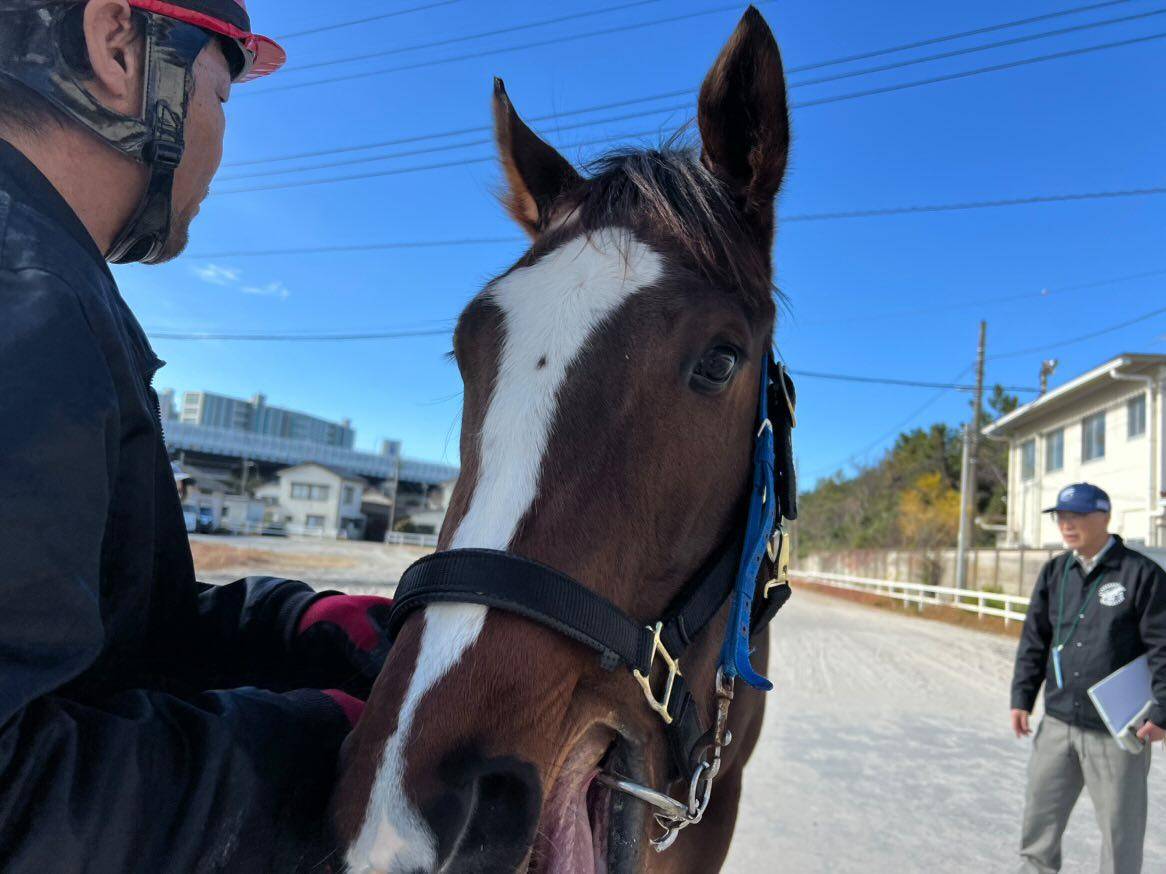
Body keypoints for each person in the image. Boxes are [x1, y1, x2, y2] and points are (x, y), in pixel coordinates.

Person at [0, 2, 394, 870]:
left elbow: (109, 639)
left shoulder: (47, 276)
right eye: (222, 95)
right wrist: (316, 750)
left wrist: (298, 625)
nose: (221, 142)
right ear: (117, 46)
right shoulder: (27, 298)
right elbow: (17, 798)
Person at [1010, 482, 1166, 874]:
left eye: (1077, 515)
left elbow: (1163, 647)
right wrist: (1022, 697)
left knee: (1119, 833)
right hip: (1058, 722)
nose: (1067, 524)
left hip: (1117, 730)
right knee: (1039, 824)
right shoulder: (1055, 572)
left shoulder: (1141, 574)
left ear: (1105, 516)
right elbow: (1035, 638)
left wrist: (1163, 711)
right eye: (1061, 516)